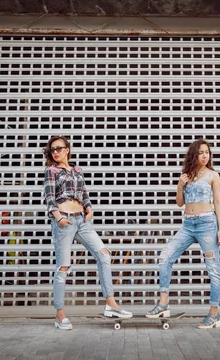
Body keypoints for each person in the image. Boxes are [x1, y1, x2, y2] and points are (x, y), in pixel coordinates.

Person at [43, 135, 132, 330]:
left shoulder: (77, 170)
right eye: (52, 150)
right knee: (63, 268)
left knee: (104, 255)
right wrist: (59, 218)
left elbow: (84, 193)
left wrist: (89, 208)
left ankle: (111, 303)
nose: (55, 152)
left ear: (67, 149)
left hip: (82, 220)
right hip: (64, 221)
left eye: (59, 148)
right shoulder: (51, 171)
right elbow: (49, 197)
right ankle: (60, 315)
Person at [146, 139, 220, 329]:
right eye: (201, 152)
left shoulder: (213, 175)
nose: (205, 155)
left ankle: (214, 315)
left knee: (213, 269)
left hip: (207, 224)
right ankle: (163, 304)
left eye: (207, 152)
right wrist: (180, 185)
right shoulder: (187, 176)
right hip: (188, 225)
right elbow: (179, 203)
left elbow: (218, 202)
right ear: (193, 155)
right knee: (165, 257)